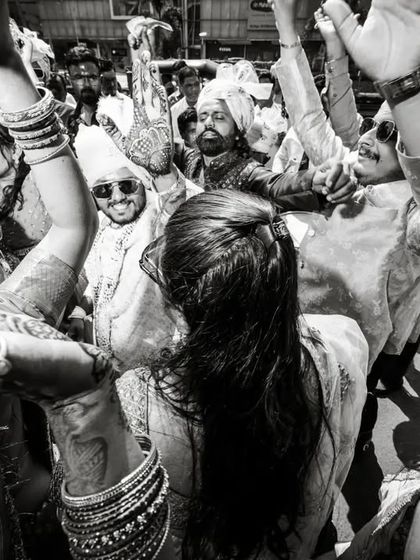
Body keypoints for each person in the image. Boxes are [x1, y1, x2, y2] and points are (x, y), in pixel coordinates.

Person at [268, 0, 420, 379]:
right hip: (294, 347)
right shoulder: (350, 182)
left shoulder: (412, 220)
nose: (367, 137)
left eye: (387, 132)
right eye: (373, 125)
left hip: (354, 376)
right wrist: (287, 29)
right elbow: (311, 121)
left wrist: (405, 90)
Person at [66, 46, 102, 144]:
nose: (86, 84)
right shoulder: (72, 119)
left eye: (92, 77)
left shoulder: (117, 112)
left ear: (100, 79)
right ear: (70, 81)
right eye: (79, 77)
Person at [170, 66, 201, 141]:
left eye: (196, 84)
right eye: (189, 86)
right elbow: (174, 139)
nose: (194, 89)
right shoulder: (174, 112)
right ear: (181, 87)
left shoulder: (209, 107)